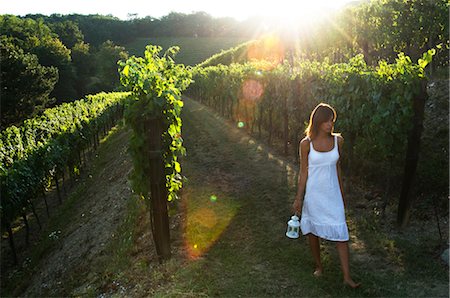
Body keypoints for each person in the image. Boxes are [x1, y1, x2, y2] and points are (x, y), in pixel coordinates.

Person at [292, 103, 360, 288]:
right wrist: (299, 197)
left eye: (332, 121)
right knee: (313, 232)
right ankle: (319, 266)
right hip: (314, 193)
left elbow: (337, 167)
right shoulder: (306, 144)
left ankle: (347, 277)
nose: (330, 124)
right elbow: (303, 172)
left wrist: (341, 192)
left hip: (332, 193)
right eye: (327, 121)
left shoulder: (339, 141)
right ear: (318, 121)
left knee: (341, 233)